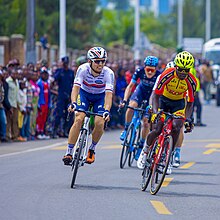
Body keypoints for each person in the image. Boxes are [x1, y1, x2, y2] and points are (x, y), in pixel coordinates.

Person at [137, 51, 197, 170]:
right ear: (176, 66)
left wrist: (188, 118)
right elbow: (155, 95)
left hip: (178, 104)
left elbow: (190, 103)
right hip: (162, 101)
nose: (183, 73)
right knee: (158, 128)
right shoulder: (167, 74)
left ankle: (169, 156)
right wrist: (155, 112)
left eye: (186, 70)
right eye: (180, 69)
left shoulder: (192, 81)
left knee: (177, 126)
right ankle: (145, 151)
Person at [62, 46, 114, 165]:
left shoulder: (108, 73)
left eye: (103, 61)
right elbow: (75, 88)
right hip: (84, 94)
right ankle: (69, 152)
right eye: (97, 61)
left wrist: (107, 110)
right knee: (79, 118)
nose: (100, 64)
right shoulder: (83, 69)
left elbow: (108, 95)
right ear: (89, 61)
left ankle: (92, 149)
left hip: (100, 97)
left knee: (99, 123)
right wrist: (73, 103)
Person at [119, 56, 161, 160]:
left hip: (151, 95)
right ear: (144, 67)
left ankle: (141, 146)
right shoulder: (139, 71)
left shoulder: (159, 75)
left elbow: (157, 94)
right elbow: (130, 86)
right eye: (148, 69)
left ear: (156, 69)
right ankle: (126, 129)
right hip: (140, 92)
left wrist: (153, 107)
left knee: (146, 123)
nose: (150, 72)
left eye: (152, 69)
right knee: (131, 107)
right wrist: (125, 100)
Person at [52, 56, 74, 138]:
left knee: (68, 115)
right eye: (64, 63)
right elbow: (54, 81)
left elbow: (73, 84)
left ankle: (65, 130)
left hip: (68, 96)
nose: (65, 64)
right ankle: (55, 131)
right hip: (61, 95)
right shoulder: (59, 71)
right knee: (59, 114)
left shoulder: (71, 72)